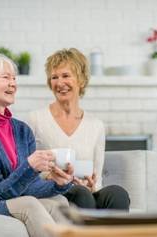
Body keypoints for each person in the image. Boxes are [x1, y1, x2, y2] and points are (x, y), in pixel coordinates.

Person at [0, 54, 74, 237]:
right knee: (29, 205)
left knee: (58, 201)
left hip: (9, 200)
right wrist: (30, 166)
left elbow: (29, 187)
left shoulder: (21, 130)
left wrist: (58, 184)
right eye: (5, 77)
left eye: (14, 78)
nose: (13, 83)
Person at [25, 48, 130, 210]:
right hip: (52, 193)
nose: (60, 83)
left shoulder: (96, 125)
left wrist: (92, 184)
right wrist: (49, 176)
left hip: (85, 191)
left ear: (80, 79)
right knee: (81, 194)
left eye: (66, 76)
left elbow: (97, 177)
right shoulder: (35, 119)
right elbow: (25, 170)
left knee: (117, 193)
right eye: (54, 77)